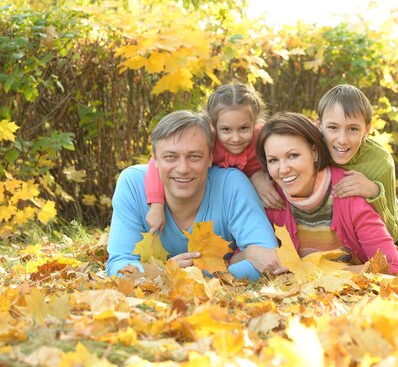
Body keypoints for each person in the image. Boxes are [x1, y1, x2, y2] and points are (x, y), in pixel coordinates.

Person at [106, 110, 284, 280]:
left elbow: (266, 258)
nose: (183, 169)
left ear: (209, 158)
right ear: (155, 160)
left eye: (194, 157)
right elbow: (118, 264)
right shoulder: (132, 184)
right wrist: (165, 274)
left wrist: (194, 276)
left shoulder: (231, 184)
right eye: (170, 157)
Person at [256, 112, 398, 274]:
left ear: (315, 153)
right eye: (273, 160)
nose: (283, 169)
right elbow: (237, 255)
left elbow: (391, 266)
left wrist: (313, 272)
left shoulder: (348, 193)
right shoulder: (270, 200)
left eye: (293, 155)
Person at [144, 83, 284, 233]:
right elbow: (155, 162)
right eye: (226, 129)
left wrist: (258, 174)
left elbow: (286, 156)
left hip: (253, 196)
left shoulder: (263, 139)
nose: (235, 138)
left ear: (255, 122)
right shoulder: (207, 140)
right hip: (219, 200)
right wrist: (157, 205)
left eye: (244, 128)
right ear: (213, 125)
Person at [317, 84, 398, 245]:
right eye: (332, 127)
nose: (342, 139)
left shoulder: (380, 162)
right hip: (351, 221)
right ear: (319, 126)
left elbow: (392, 234)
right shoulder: (307, 149)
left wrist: (374, 192)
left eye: (352, 129)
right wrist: (262, 177)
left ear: (366, 130)